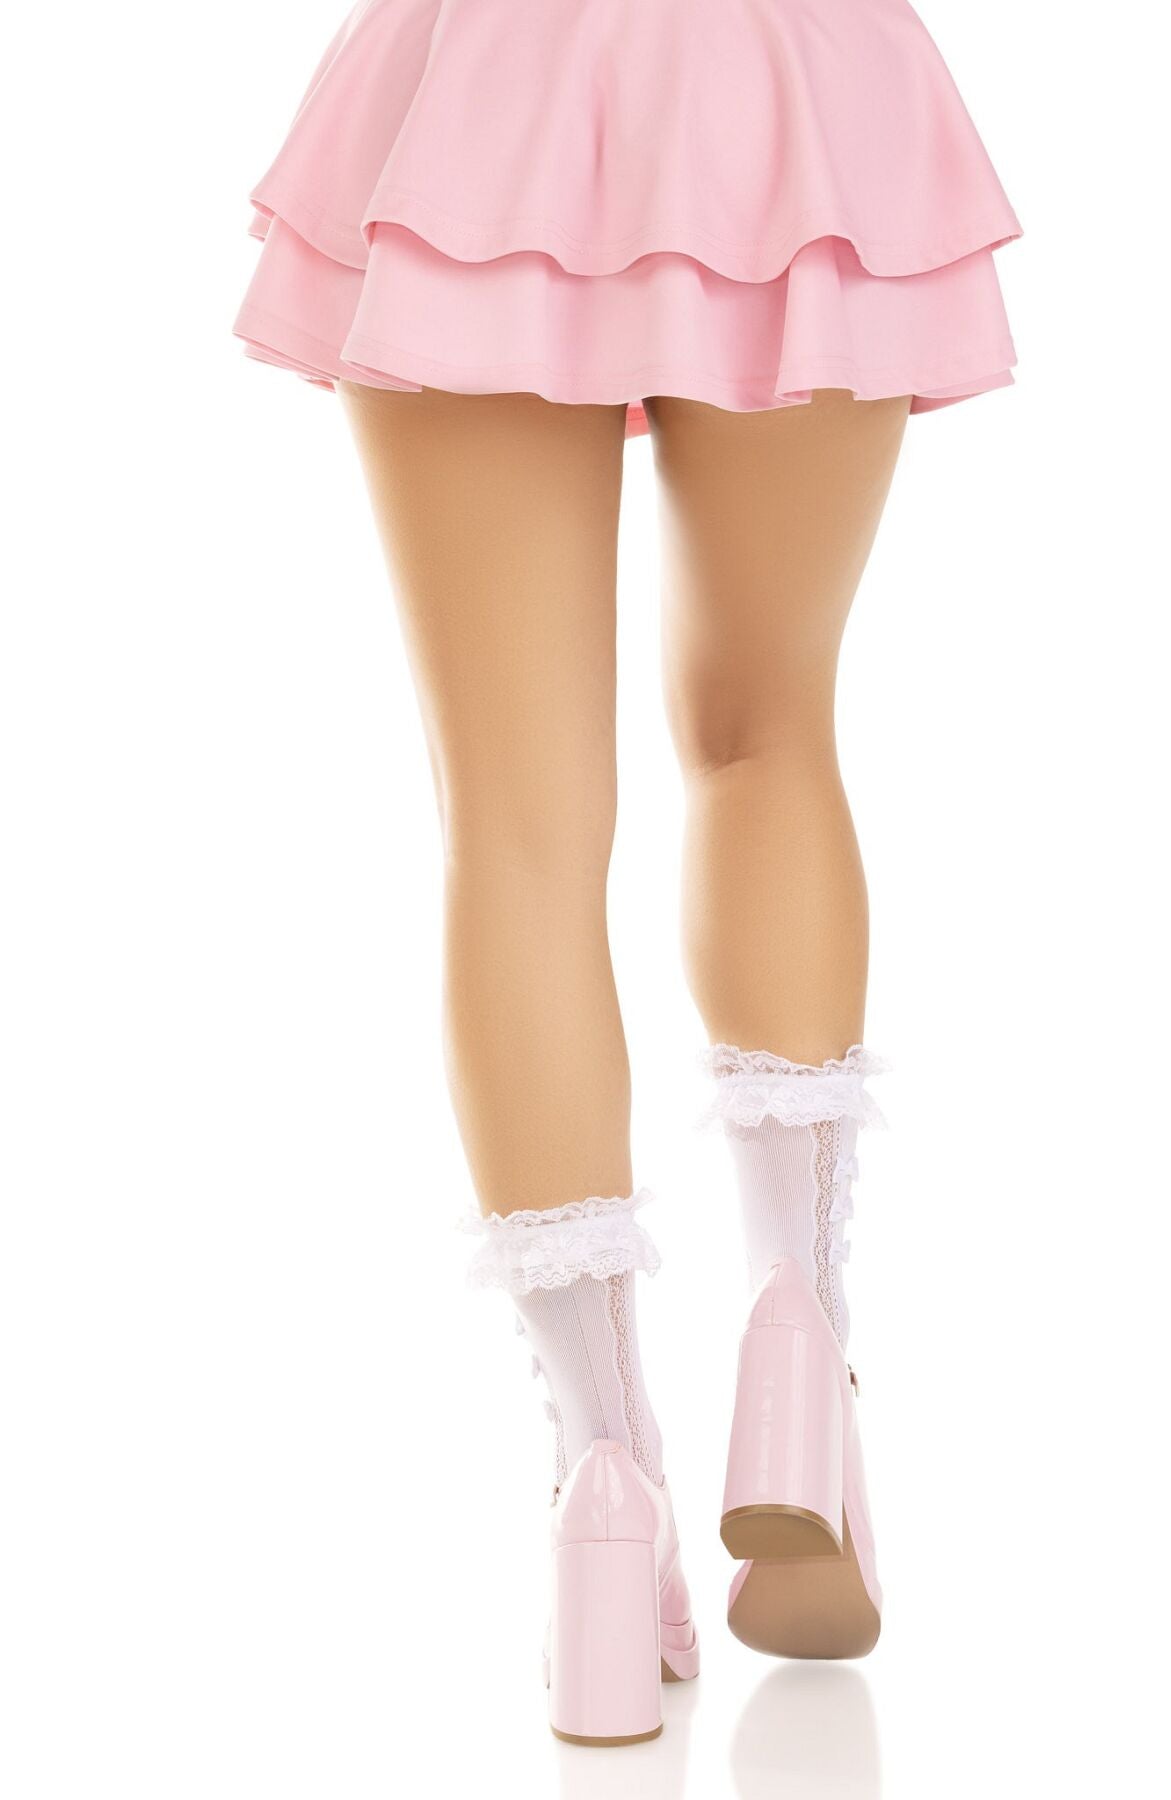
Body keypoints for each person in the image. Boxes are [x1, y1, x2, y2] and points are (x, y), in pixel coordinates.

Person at [235, 0, 1019, 1746]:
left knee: (515, 830)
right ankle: (795, 1328)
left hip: (480, 96)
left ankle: (602, 1483)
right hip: (791, 84)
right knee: (765, 732)